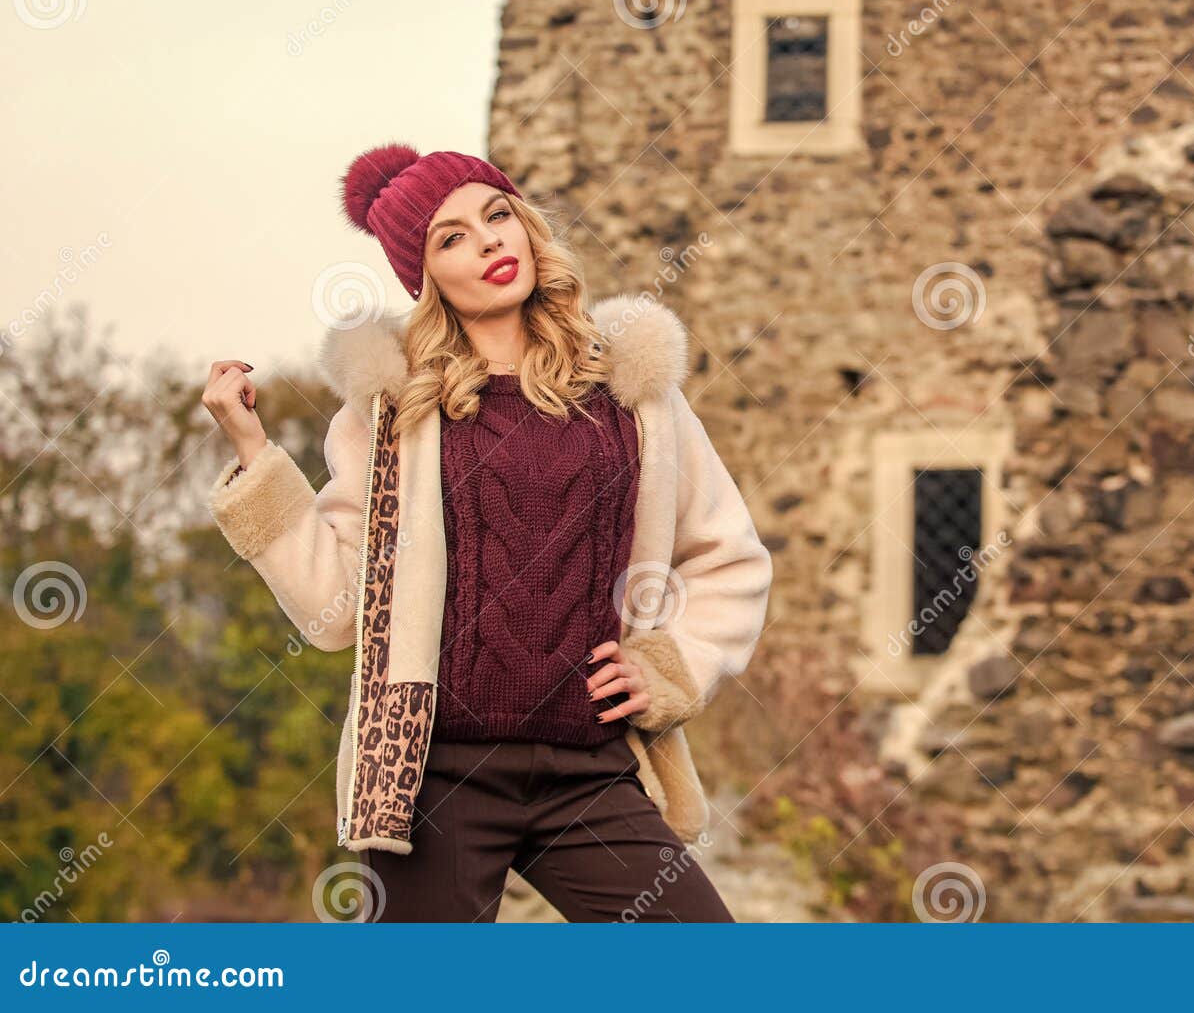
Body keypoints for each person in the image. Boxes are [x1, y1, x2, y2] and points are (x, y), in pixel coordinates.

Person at [199, 143, 772, 922]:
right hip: (438, 777)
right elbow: (337, 608)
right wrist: (252, 453)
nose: (490, 242)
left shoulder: (633, 391)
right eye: (452, 237)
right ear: (426, 277)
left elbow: (727, 556)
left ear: (526, 225)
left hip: (591, 768)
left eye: (497, 215)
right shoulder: (396, 411)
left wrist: (669, 664)